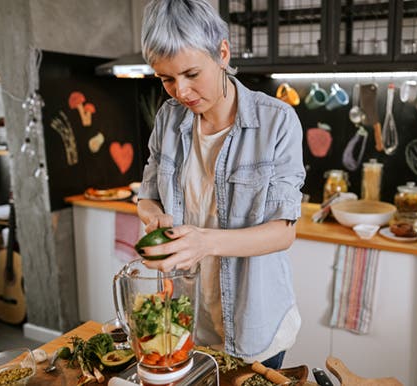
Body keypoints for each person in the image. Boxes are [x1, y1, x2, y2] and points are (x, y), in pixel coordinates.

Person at [135, 0, 306, 370]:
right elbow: (146, 197)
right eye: (166, 79)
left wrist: (204, 242)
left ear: (223, 53)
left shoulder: (277, 122)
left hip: (254, 326)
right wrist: (155, 219)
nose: (180, 91)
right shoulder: (168, 120)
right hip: (186, 321)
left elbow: (282, 233)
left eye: (191, 73)